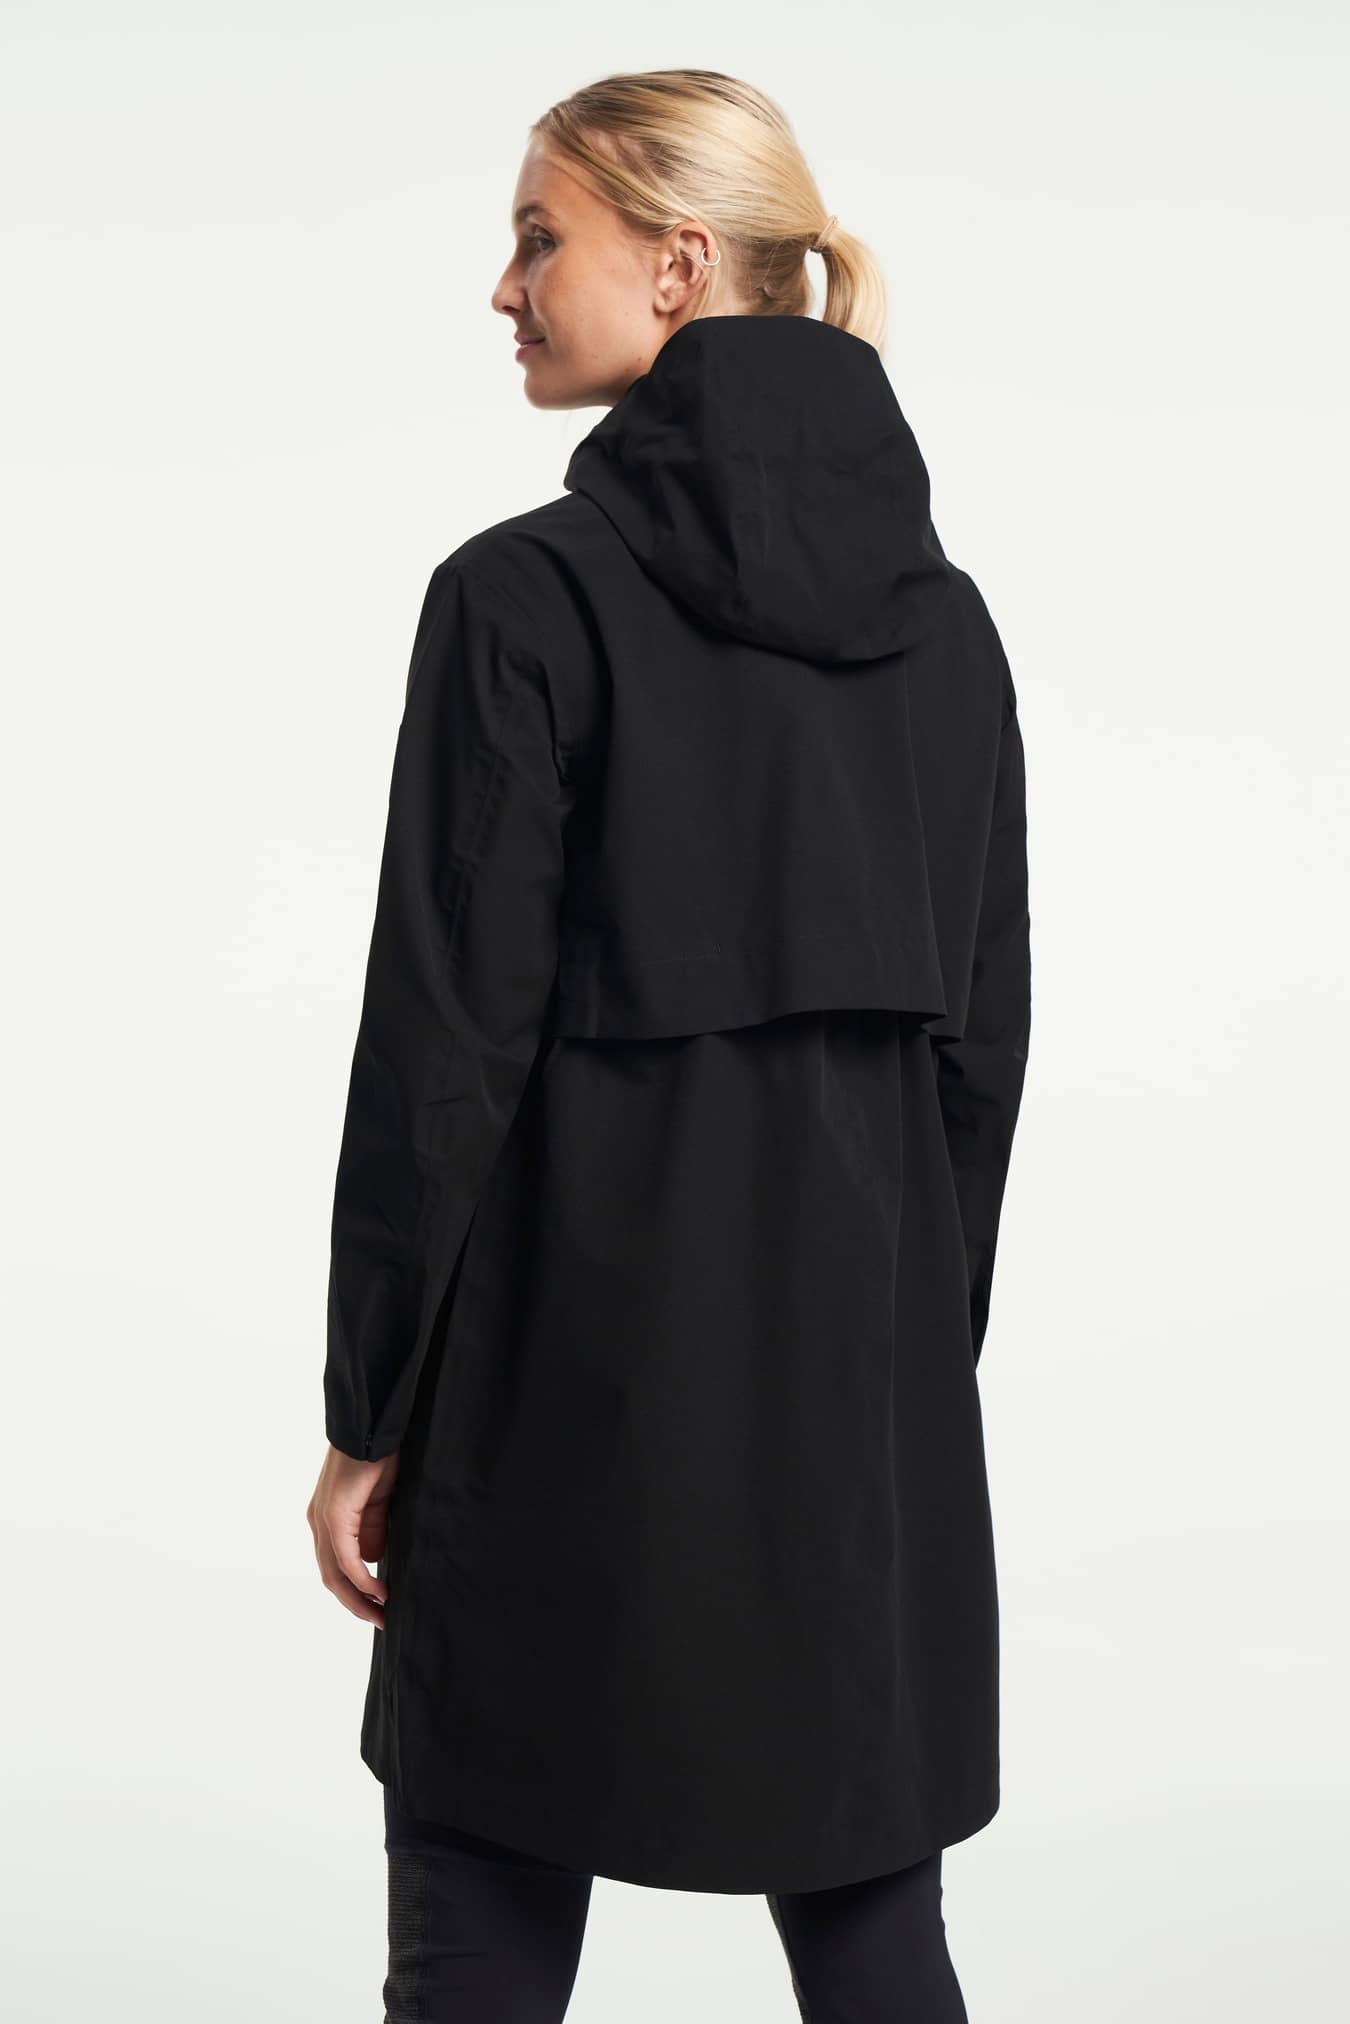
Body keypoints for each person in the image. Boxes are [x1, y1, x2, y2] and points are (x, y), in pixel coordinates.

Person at [307, 67, 1032, 2023]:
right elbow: (980, 1063)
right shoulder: (950, 634)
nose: (504, 287)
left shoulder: (519, 602)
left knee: (478, 1917)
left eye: (538, 236)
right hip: (857, 1403)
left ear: (680, 260)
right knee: (873, 1929)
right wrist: (897, 1374)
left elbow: (440, 1050)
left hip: (551, 1388)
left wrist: (373, 1408)